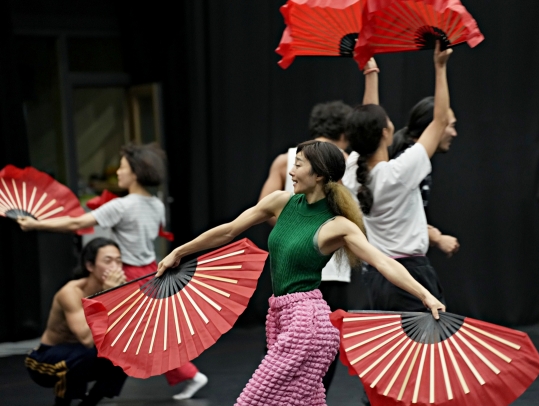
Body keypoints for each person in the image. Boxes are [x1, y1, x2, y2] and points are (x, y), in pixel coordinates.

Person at [155, 140, 445, 406]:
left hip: (308, 324)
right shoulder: (280, 202)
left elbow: (383, 262)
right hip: (280, 317)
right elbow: (229, 230)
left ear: (318, 175)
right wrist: (179, 252)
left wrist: (425, 295)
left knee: (252, 402)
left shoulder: (337, 225)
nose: (291, 171)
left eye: (298, 164)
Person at [17, 143, 208, 400]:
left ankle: (190, 374)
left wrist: (35, 224)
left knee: (134, 341)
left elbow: (77, 223)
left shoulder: (122, 205)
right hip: (152, 271)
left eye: (122, 168)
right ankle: (188, 373)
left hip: (127, 276)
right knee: (146, 337)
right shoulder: (157, 204)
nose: (118, 172)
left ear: (136, 173)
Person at [343, 41, 452, 314]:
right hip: (409, 272)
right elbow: (439, 122)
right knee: (421, 353)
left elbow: (369, 118)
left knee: (393, 352)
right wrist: (440, 67)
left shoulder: (352, 170)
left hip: (376, 274)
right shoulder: (398, 173)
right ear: (385, 133)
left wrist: (371, 73)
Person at [257, 100, 353, 393]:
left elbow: (267, 210)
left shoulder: (285, 158)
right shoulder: (346, 160)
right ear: (344, 132)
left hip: (294, 270)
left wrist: (296, 238)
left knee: (289, 351)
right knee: (316, 355)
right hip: (332, 271)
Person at [25, 238, 128, 406]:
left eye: (119, 261)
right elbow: (86, 339)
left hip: (80, 359)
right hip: (45, 361)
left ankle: (88, 404)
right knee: (83, 352)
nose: (115, 267)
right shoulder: (71, 292)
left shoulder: (117, 291)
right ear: (90, 266)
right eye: (108, 261)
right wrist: (108, 296)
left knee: (128, 352)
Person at [389, 96, 461, 260]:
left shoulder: (414, 162)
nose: (454, 133)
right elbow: (398, 219)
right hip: (397, 265)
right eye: (450, 126)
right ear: (433, 127)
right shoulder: (408, 165)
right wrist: (436, 238)